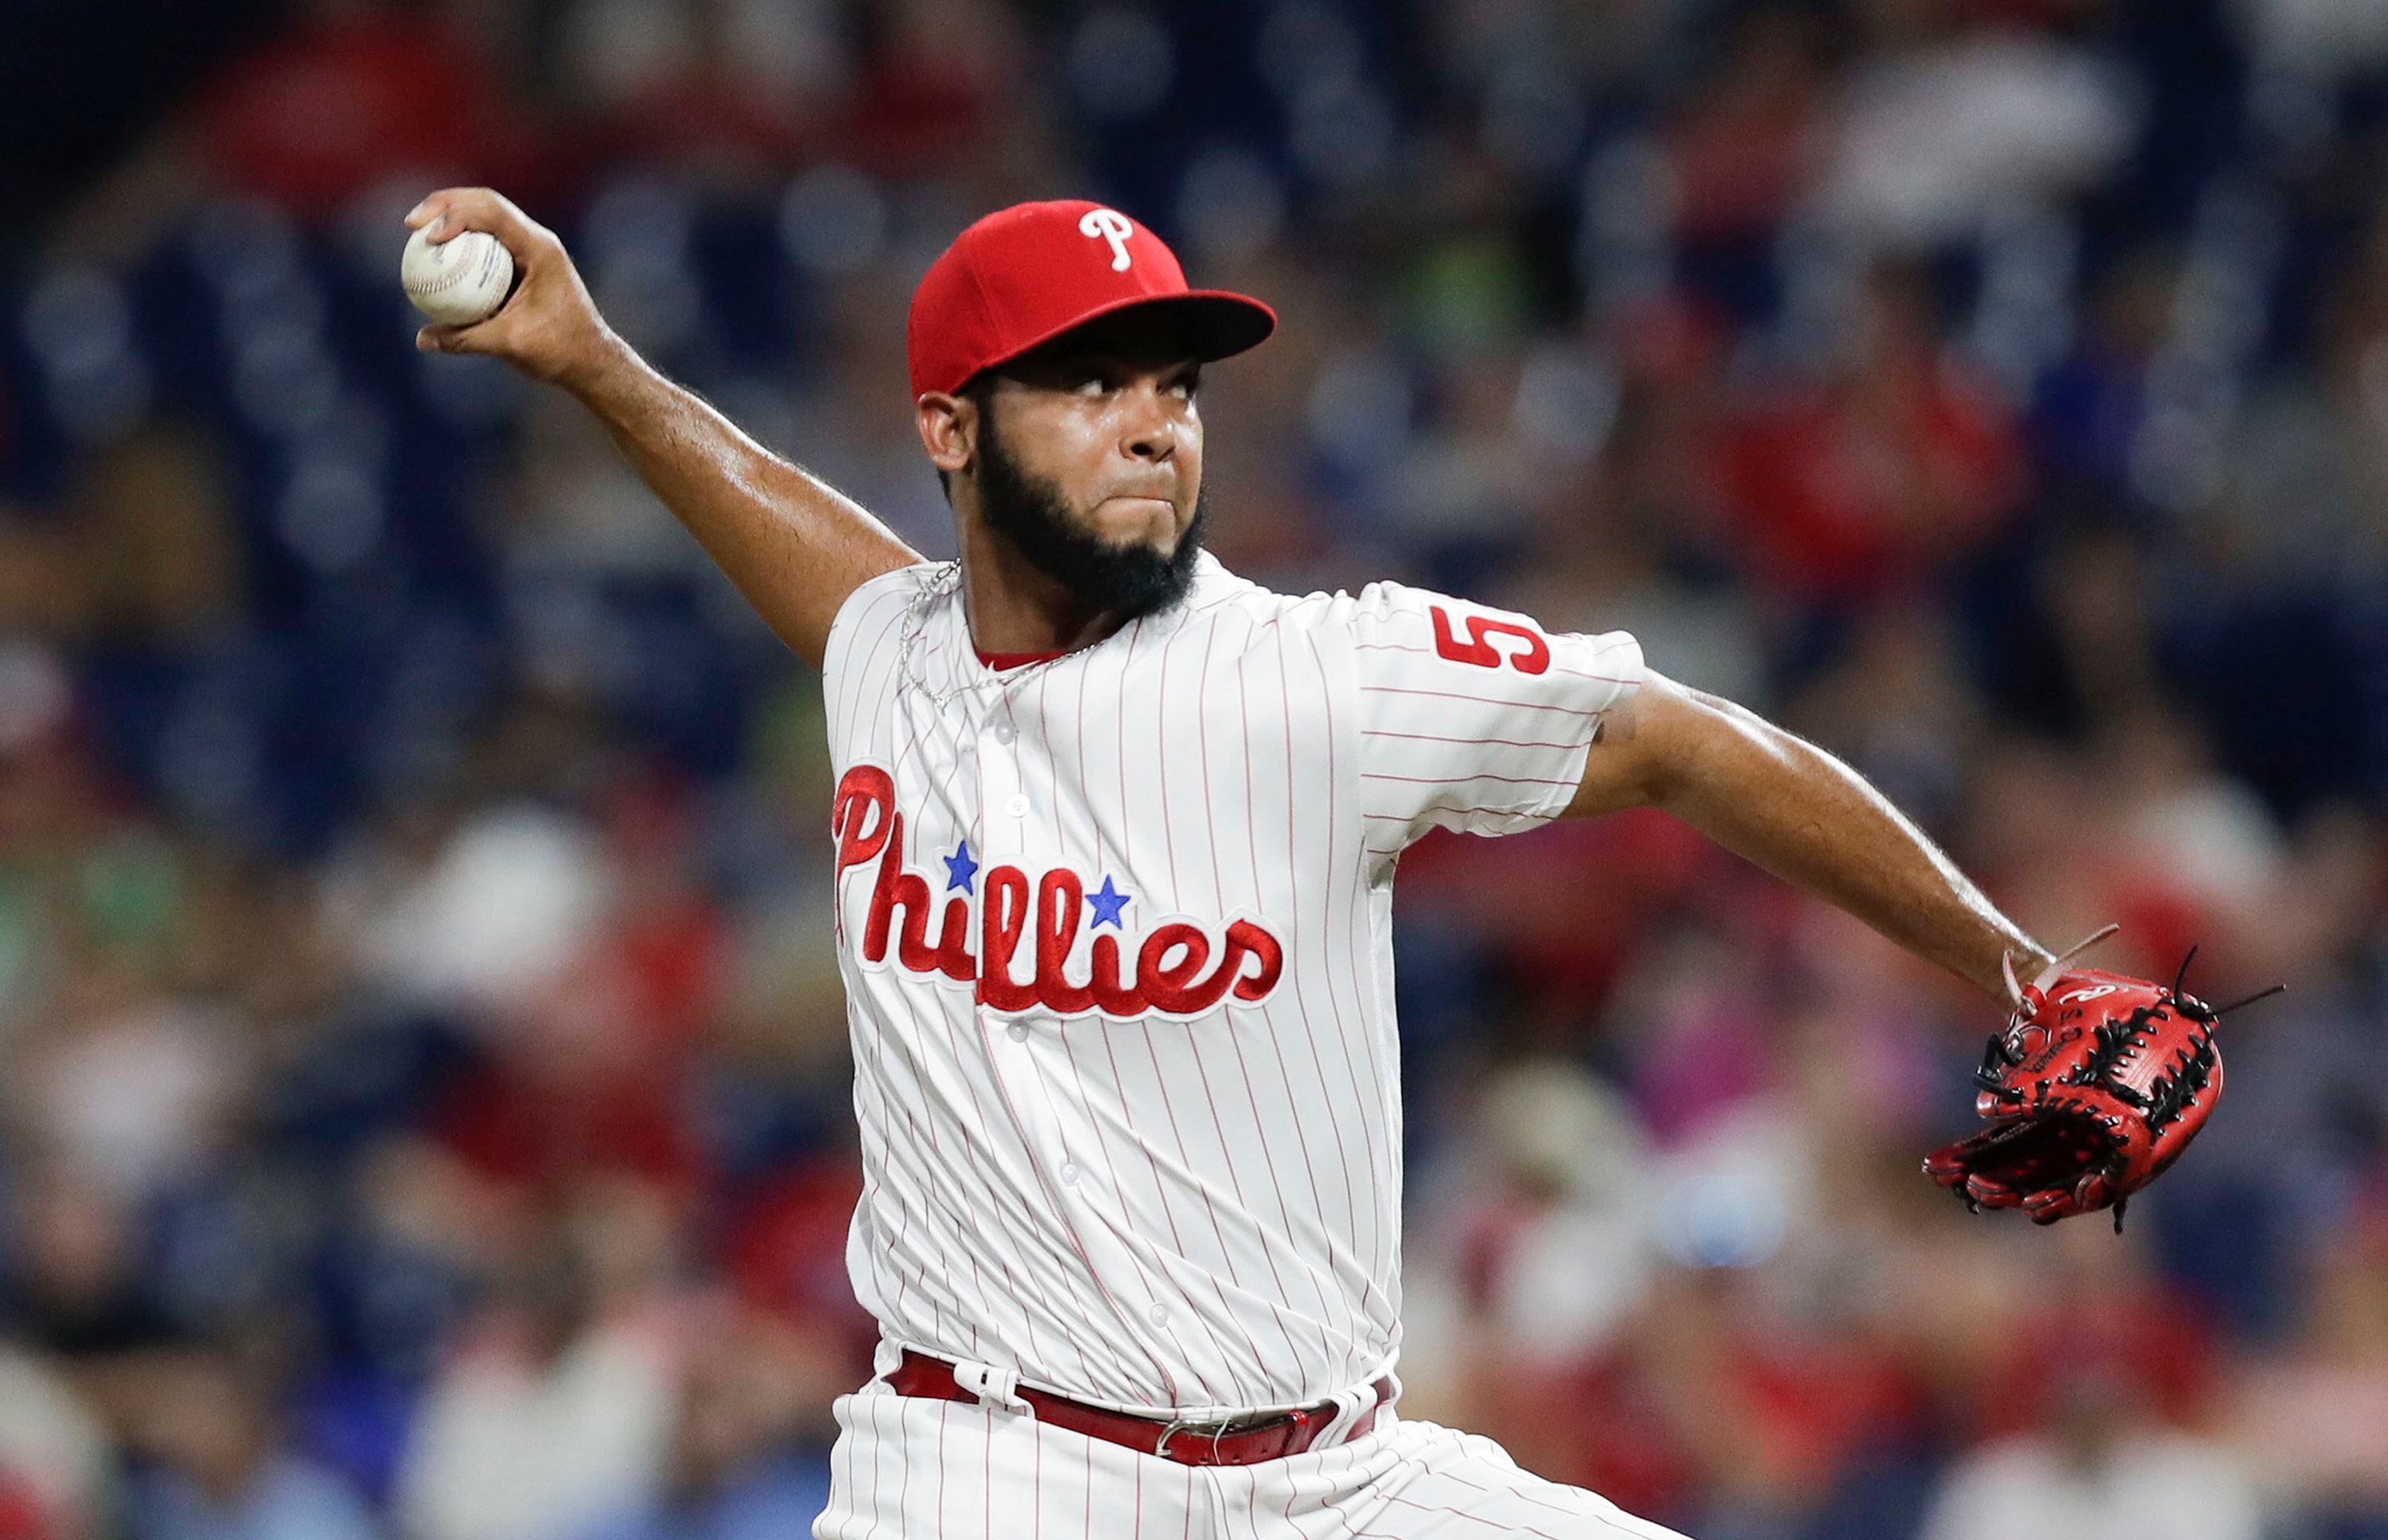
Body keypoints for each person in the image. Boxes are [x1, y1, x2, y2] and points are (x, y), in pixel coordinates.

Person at [403, 189, 2060, 1537]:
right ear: (950, 429)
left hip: (1332, 1479)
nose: (1150, 427)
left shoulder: (1321, 678)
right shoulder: (888, 655)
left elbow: (1684, 736)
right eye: (1087, 382)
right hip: (990, 1475)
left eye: (1174, 386)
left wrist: (2025, 971)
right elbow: (815, 551)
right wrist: (597, 364)